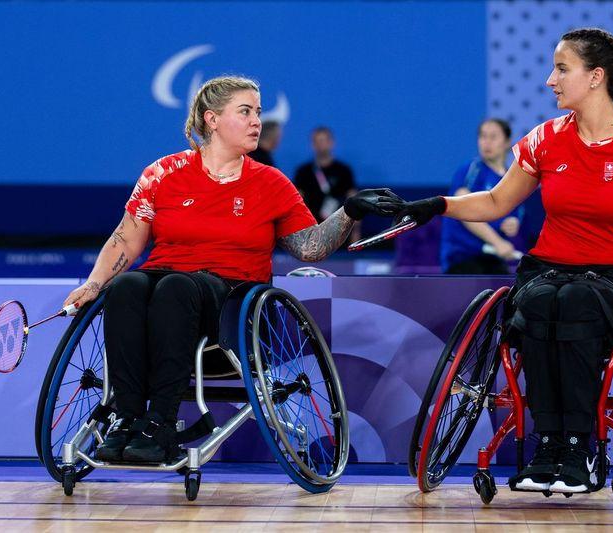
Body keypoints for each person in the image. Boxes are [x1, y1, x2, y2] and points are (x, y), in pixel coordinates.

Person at [396, 28, 613, 494]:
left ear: (595, 77)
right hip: (549, 265)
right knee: (538, 303)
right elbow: (494, 202)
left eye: (561, 69)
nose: (551, 80)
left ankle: (580, 447)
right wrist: (436, 206)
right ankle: (547, 446)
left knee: (573, 302)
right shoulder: (546, 138)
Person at [62, 76, 401, 463]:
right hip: (165, 280)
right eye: (246, 112)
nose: (257, 121)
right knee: (124, 288)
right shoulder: (163, 173)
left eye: (258, 112)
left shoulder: (271, 183)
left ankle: (160, 424)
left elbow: (310, 247)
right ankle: (126, 418)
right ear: (213, 119)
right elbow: (125, 239)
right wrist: (94, 283)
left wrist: (351, 210)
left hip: (230, 298)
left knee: (176, 288)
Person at [440, 118, 525, 274]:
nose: (486, 142)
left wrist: (513, 223)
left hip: (493, 259)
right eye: (483, 136)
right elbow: (463, 209)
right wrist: (497, 242)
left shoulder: (512, 179)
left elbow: (515, 214)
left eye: (493, 137)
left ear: (507, 142)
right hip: (462, 258)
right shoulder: (471, 170)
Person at [293, 127, 360, 242]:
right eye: (317, 141)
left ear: (331, 143)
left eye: (323, 141)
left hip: (339, 231)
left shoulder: (344, 171)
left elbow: (354, 201)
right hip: (312, 231)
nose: (321, 145)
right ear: (312, 145)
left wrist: (356, 231)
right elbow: (296, 203)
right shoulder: (303, 172)